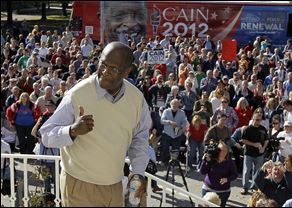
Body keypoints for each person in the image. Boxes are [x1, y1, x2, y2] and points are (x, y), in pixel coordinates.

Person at [39, 42, 152, 207]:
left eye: (113, 69)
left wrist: (138, 173)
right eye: (103, 64)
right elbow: (46, 135)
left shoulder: (137, 99)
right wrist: (71, 131)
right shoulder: (77, 94)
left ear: (127, 71)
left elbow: (139, 138)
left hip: (114, 185)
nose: (105, 72)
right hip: (79, 184)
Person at [200, 141, 238, 207]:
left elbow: (235, 175)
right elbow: (202, 172)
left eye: (226, 151)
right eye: (221, 150)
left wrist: (227, 179)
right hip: (208, 189)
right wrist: (205, 161)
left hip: (223, 192)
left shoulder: (230, 162)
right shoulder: (211, 159)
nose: (224, 153)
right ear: (217, 150)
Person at [240, 112, 268, 195]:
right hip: (248, 153)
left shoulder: (263, 129)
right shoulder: (248, 129)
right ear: (253, 119)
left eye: (259, 120)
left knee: (257, 172)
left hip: (259, 154)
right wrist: (254, 144)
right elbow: (243, 140)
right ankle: (245, 188)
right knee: (246, 171)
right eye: (256, 120)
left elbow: (266, 140)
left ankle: (254, 187)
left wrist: (263, 148)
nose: (257, 121)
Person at [160, 99, 188, 166]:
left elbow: (184, 122)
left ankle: (174, 163)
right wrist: (169, 122)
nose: (175, 106)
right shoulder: (166, 111)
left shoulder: (182, 112)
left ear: (178, 105)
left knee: (175, 150)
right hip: (167, 133)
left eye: (176, 105)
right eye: (173, 104)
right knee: (165, 149)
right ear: (170, 105)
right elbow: (162, 121)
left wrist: (180, 127)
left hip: (177, 134)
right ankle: (164, 161)